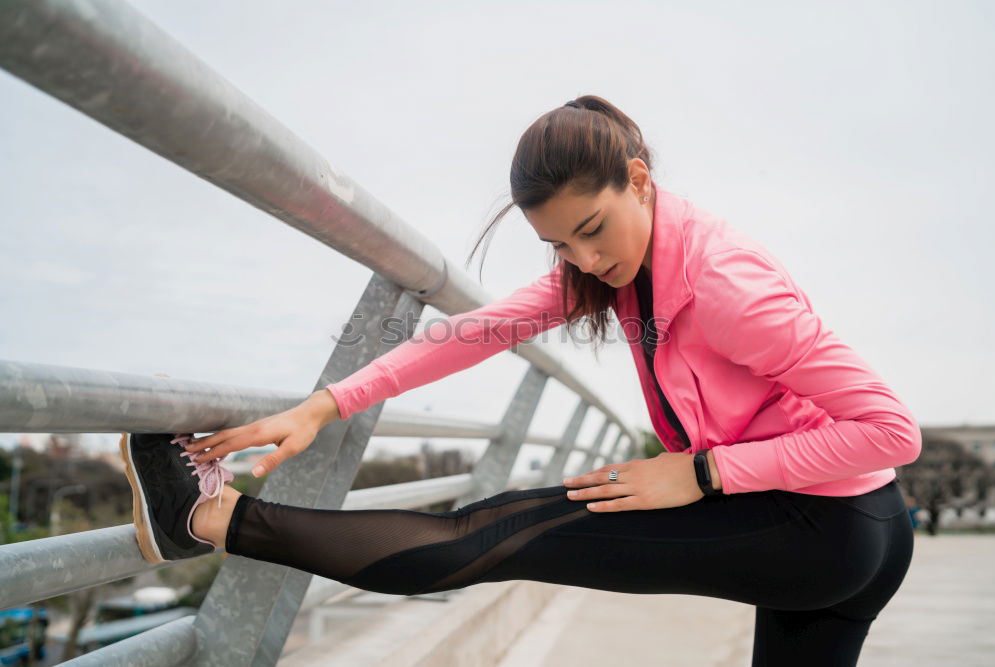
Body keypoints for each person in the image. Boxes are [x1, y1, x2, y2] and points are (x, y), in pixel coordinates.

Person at [120, 95, 920, 666]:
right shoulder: (622, 267)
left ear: (638, 180)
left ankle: (208, 517)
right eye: (560, 245)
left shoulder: (723, 285)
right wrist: (327, 403)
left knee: (492, 533)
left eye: (593, 230)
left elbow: (892, 431)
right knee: (496, 528)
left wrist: (704, 471)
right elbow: (470, 335)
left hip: (823, 526)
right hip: (853, 534)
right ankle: (209, 515)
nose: (584, 260)